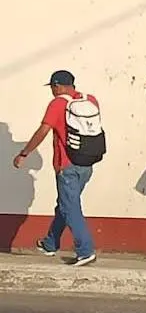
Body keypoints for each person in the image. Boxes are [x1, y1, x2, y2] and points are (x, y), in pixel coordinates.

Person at [11, 71, 100, 267]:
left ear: (57, 86)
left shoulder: (58, 103)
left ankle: (85, 251)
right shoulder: (90, 100)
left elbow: (43, 130)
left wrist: (24, 153)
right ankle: (50, 243)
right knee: (66, 203)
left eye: (52, 87)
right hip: (87, 164)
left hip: (67, 165)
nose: (52, 91)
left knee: (70, 207)